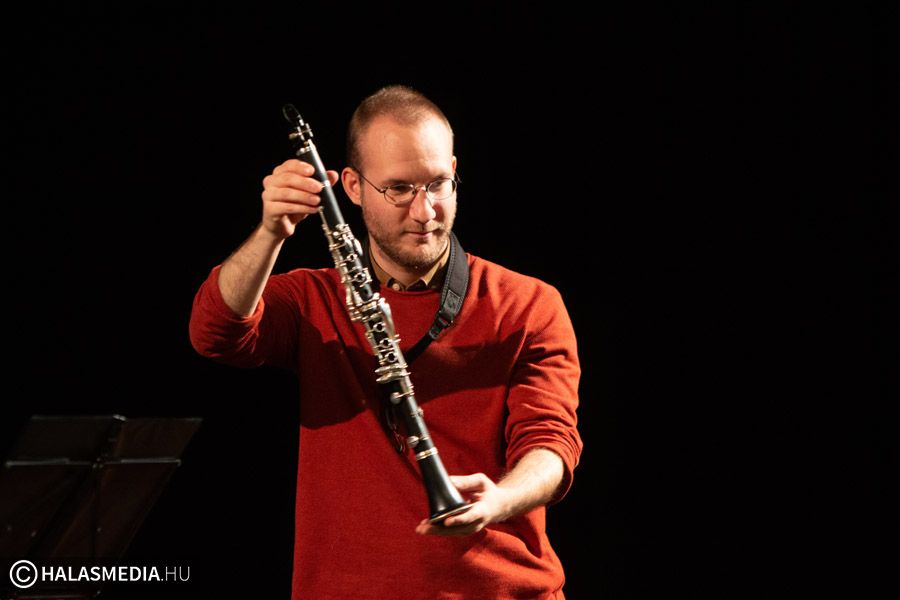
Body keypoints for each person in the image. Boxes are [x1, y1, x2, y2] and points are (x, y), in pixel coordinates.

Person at [189, 85, 582, 599]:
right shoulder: (312, 298)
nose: (425, 212)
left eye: (438, 184)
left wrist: (500, 500)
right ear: (352, 187)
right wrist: (270, 233)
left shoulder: (528, 303)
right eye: (399, 189)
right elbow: (214, 333)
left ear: (455, 171)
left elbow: (551, 445)